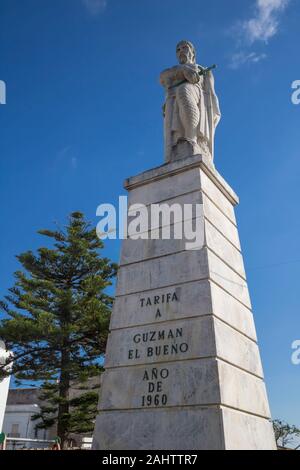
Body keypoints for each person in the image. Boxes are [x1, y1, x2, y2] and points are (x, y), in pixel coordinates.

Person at [160, 40, 221, 163]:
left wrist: (216, 111)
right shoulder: (174, 69)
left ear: (193, 53)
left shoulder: (203, 70)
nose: (181, 51)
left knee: (184, 89)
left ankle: (191, 138)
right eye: (178, 50)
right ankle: (181, 144)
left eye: (184, 48)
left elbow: (211, 93)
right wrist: (183, 71)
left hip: (198, 95)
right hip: (173, 101)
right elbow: (163, 77)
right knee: (181, 91)